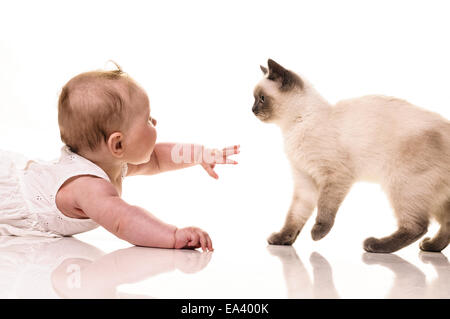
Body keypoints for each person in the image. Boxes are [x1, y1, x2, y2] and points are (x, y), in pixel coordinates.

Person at [0, 63, 239, 251]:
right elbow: (123, 221)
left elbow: (158, 158)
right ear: (118, 143)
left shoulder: (109, 163)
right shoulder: (88, 186)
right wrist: (172, 235)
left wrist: (199, 154)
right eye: (147, 119)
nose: (154, 122)